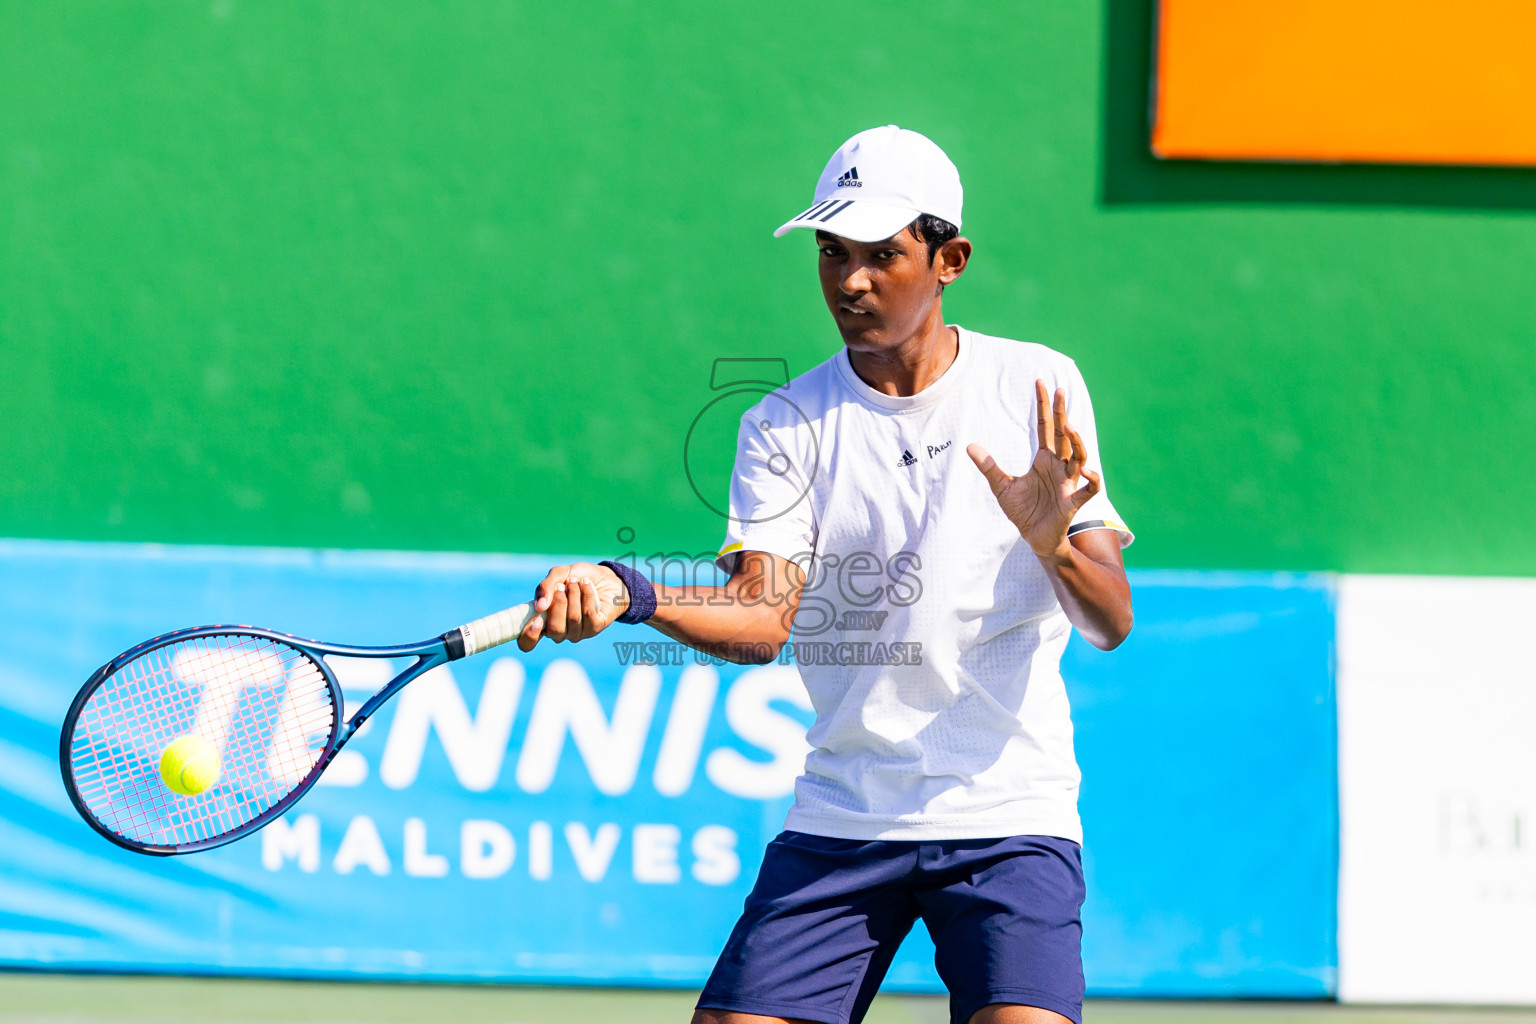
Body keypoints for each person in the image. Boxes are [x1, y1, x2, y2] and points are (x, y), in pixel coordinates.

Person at [516, 125, 1133, 1024]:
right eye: (832, 252)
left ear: (949, 258)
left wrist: (1051, 539)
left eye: (882, 255)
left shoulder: (1036, 386)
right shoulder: (783, 422)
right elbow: (764, 621)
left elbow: (1111, 620)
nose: (850, 281)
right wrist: (631, 593)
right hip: (847, 815)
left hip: (1009, 813)